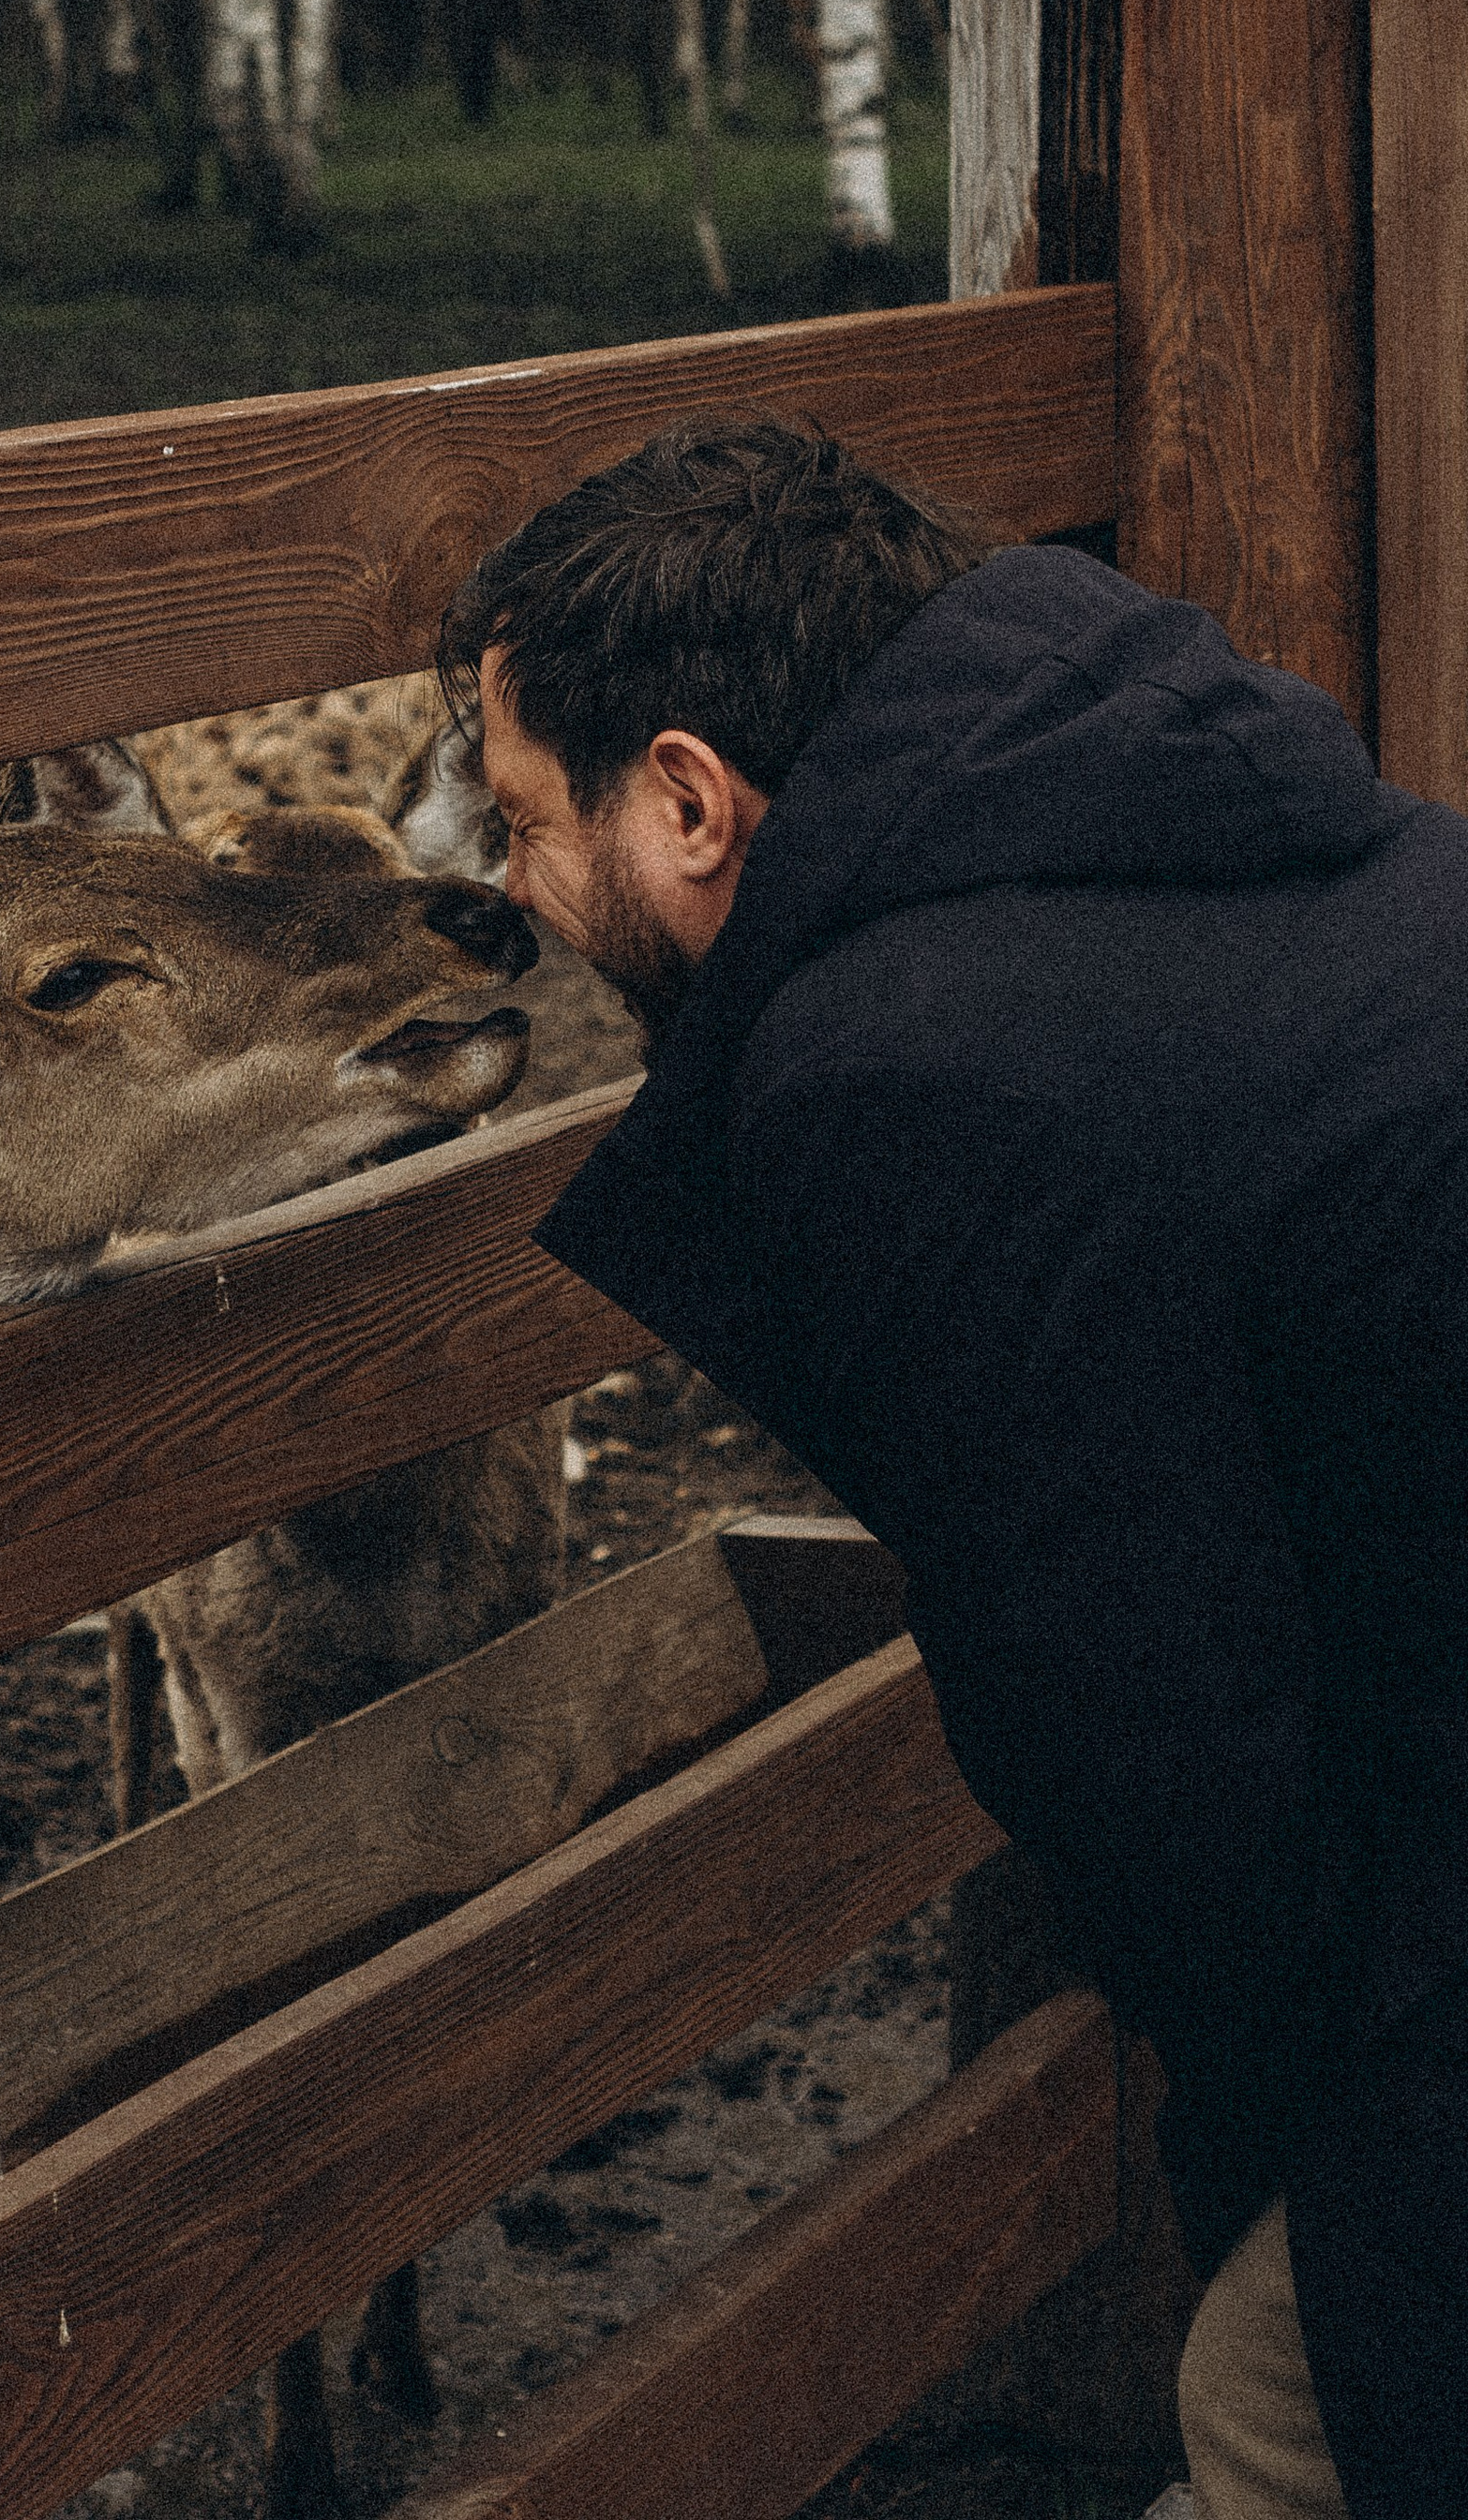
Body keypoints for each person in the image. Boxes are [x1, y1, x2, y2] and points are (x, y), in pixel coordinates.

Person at [436, 412, 1468, 2520]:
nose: (508, 890)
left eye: (525, 820)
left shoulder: (905, 1076)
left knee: (1282, 2418)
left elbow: (1147, 1731)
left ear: (689, 801)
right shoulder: (1275, 835)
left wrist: (1309, 2132)